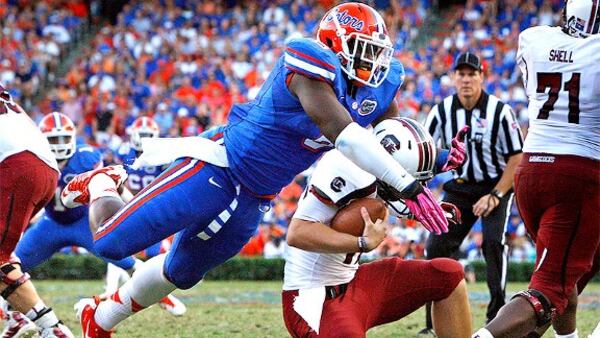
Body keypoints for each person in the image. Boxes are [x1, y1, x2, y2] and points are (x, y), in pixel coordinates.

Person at [61, 3, 449, 337]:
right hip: (219, 167)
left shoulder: (376, 88)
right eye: (363, 52)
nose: (373, 64)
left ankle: (101, 317)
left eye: (377, 53)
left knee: (182, 272)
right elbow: (343, 134)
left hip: (258, 196)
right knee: (110, 243)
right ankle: (101, 183)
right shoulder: (307, 66)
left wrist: (438, 161)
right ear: (333, 45)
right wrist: (408, 186)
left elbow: (390, 141)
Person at [473, 1, 599, 337]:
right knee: (549, 289)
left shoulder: (534, 39)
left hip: (531, 172)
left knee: (563, 275)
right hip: (576, 175)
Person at [282, 117, 472, 338]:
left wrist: (438, 161)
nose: (412, 187)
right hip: (313, 299)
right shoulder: (343, 166)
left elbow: (384, 194)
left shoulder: (371, 165)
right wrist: (361, 243)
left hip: (354, 282)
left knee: (448, 274)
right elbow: (297, 233)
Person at [2, 112, 138, 336]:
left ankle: (159, 292)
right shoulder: (34, 156)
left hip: (82, 222)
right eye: (53, 139)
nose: (59, 144)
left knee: (125, 259)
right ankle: (17, 318)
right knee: (8, 267)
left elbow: (109, 186)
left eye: (62, 138)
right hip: (50, 223)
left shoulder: (84, 158)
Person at [420, 51, 524, 334]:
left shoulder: (501, 111)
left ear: (482, 76)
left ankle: (497, 315)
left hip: (495, 186)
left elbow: (517, 158)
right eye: (461, 74)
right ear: (453, 77)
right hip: (460, 188)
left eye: (472, 74)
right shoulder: (441, 111)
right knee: (436, 247)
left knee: (492, 243)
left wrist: (496, 196)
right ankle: (434, 320)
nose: (466, 79)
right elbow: (426, 152)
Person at [0, 86, 74, 337]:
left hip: (18, 164)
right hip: (37, 167)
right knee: (2, 255)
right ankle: (21, 318)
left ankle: (52, 329)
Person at [104, 116, 186, 316]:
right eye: (141, 135)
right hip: (129, 203)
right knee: (117, 244)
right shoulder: (123, 152)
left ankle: (149, 291)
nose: (143, 139)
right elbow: (118, 178)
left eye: (148, 135)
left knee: (152, 254)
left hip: (151, 206)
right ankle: (110, 290)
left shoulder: (163, 154)